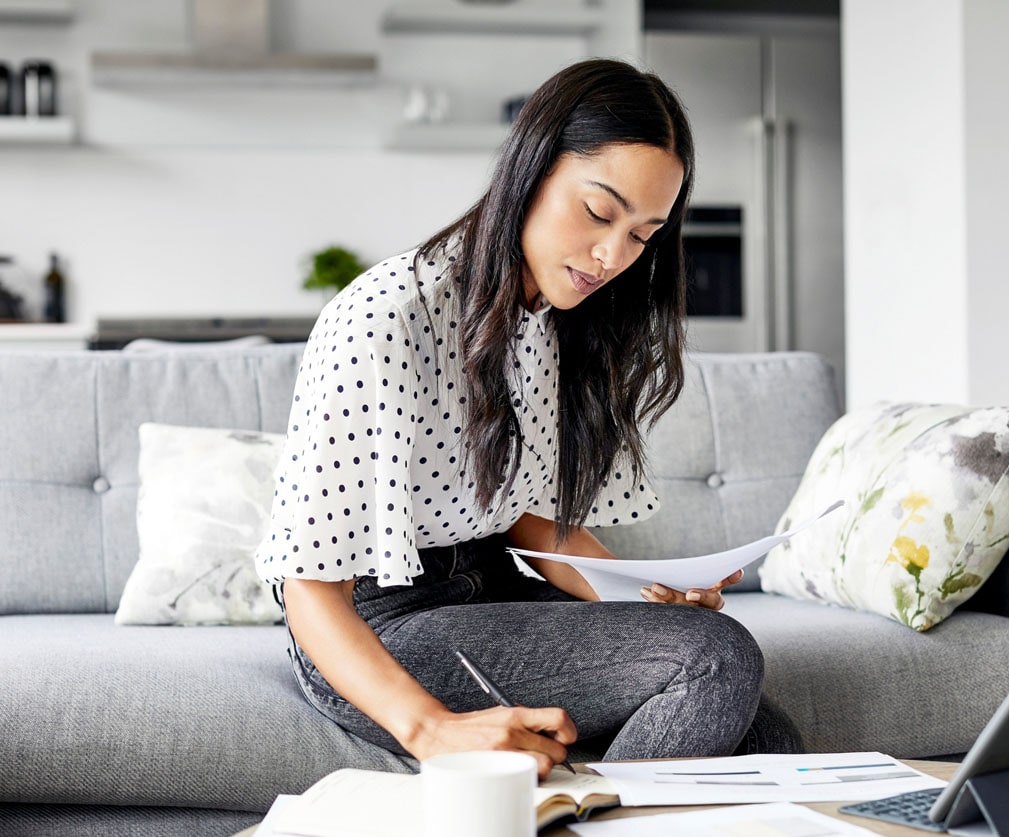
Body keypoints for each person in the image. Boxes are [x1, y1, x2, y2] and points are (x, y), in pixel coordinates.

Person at [255, 58, 800, 779]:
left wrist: (648, 595)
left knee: (766, 736)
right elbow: (308, 587)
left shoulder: (558, 318)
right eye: (600, 212)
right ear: (531, 169)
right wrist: (432, 729)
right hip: (374, 629)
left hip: (490, 590)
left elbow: (531, 521)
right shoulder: (387, 317)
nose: (613, 255)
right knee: (717, 659)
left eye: (643, 235)